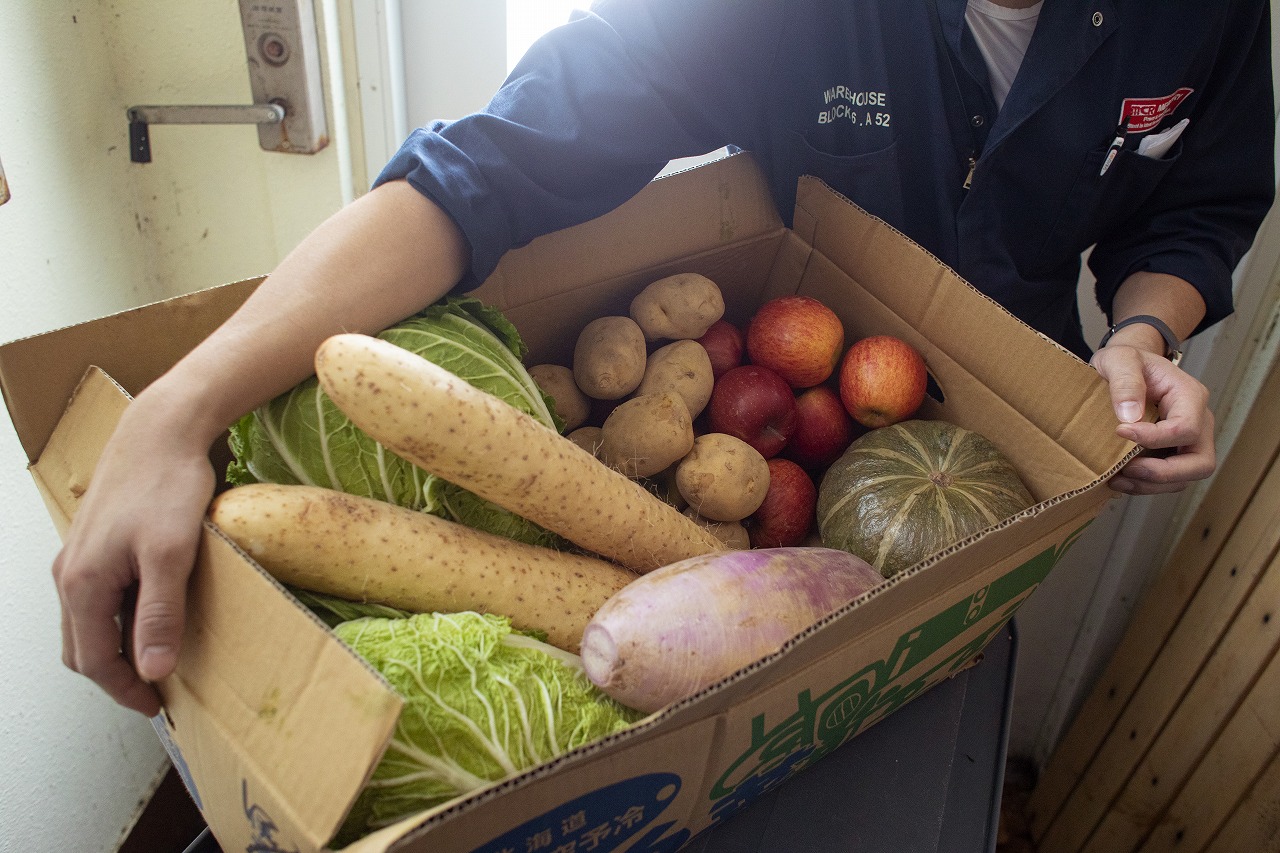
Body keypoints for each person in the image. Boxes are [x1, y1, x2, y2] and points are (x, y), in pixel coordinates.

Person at [53, 0, 1274, 716]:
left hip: (1001, 466)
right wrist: (178, 406)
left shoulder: (1207, 11)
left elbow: (1197, 209)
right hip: (795, 463)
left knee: (921, 707)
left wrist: (1141, 329)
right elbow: (485, 168)